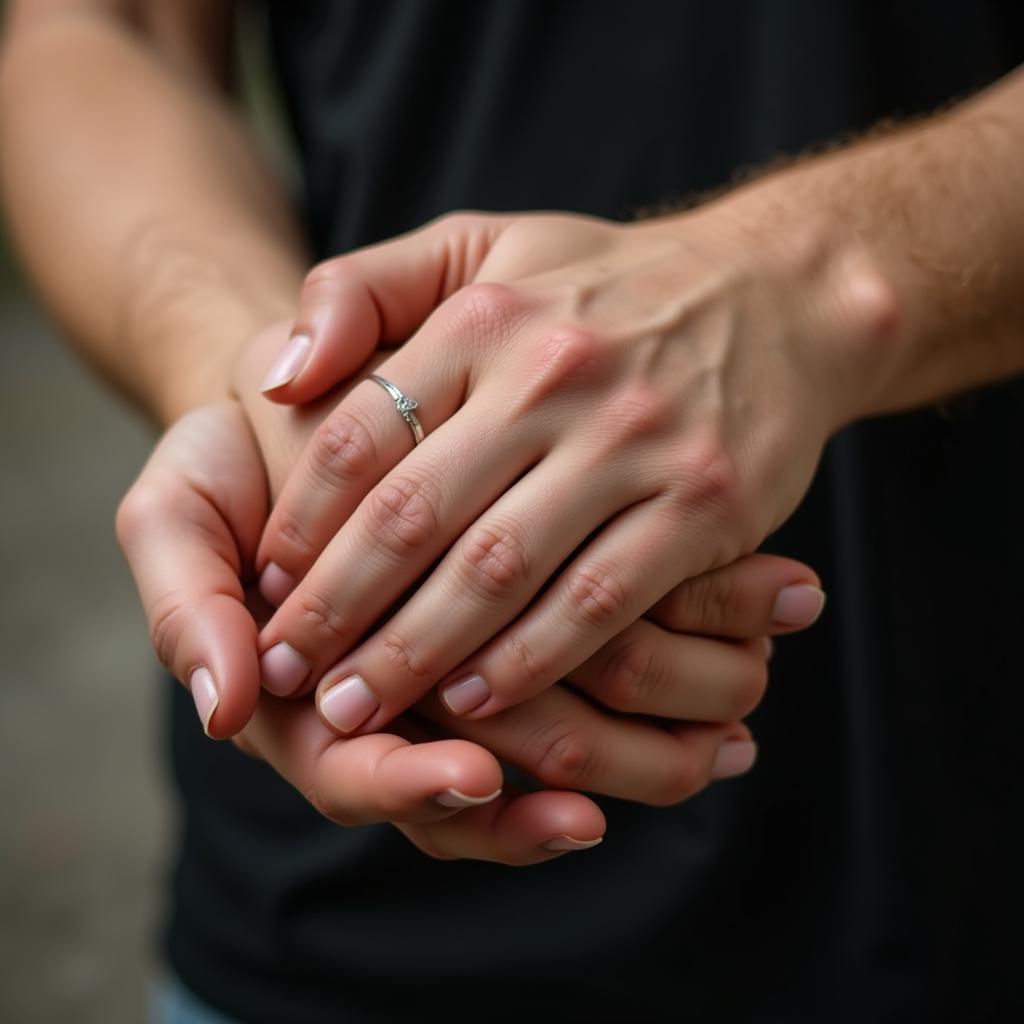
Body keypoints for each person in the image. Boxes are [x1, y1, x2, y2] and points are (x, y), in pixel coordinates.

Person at [1, 2, 1022, 1021]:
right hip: (323, 865)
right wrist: (267, 381)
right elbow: (101, 33)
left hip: (944, 827)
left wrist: (809, 286)